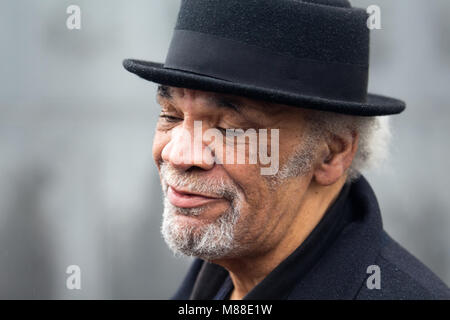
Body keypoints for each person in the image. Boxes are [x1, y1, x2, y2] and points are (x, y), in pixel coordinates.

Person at [122, 0, 450, 299]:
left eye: (229, 129)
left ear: (332, 153)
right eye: (170, 115)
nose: (178, 155)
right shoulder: (213, 282)